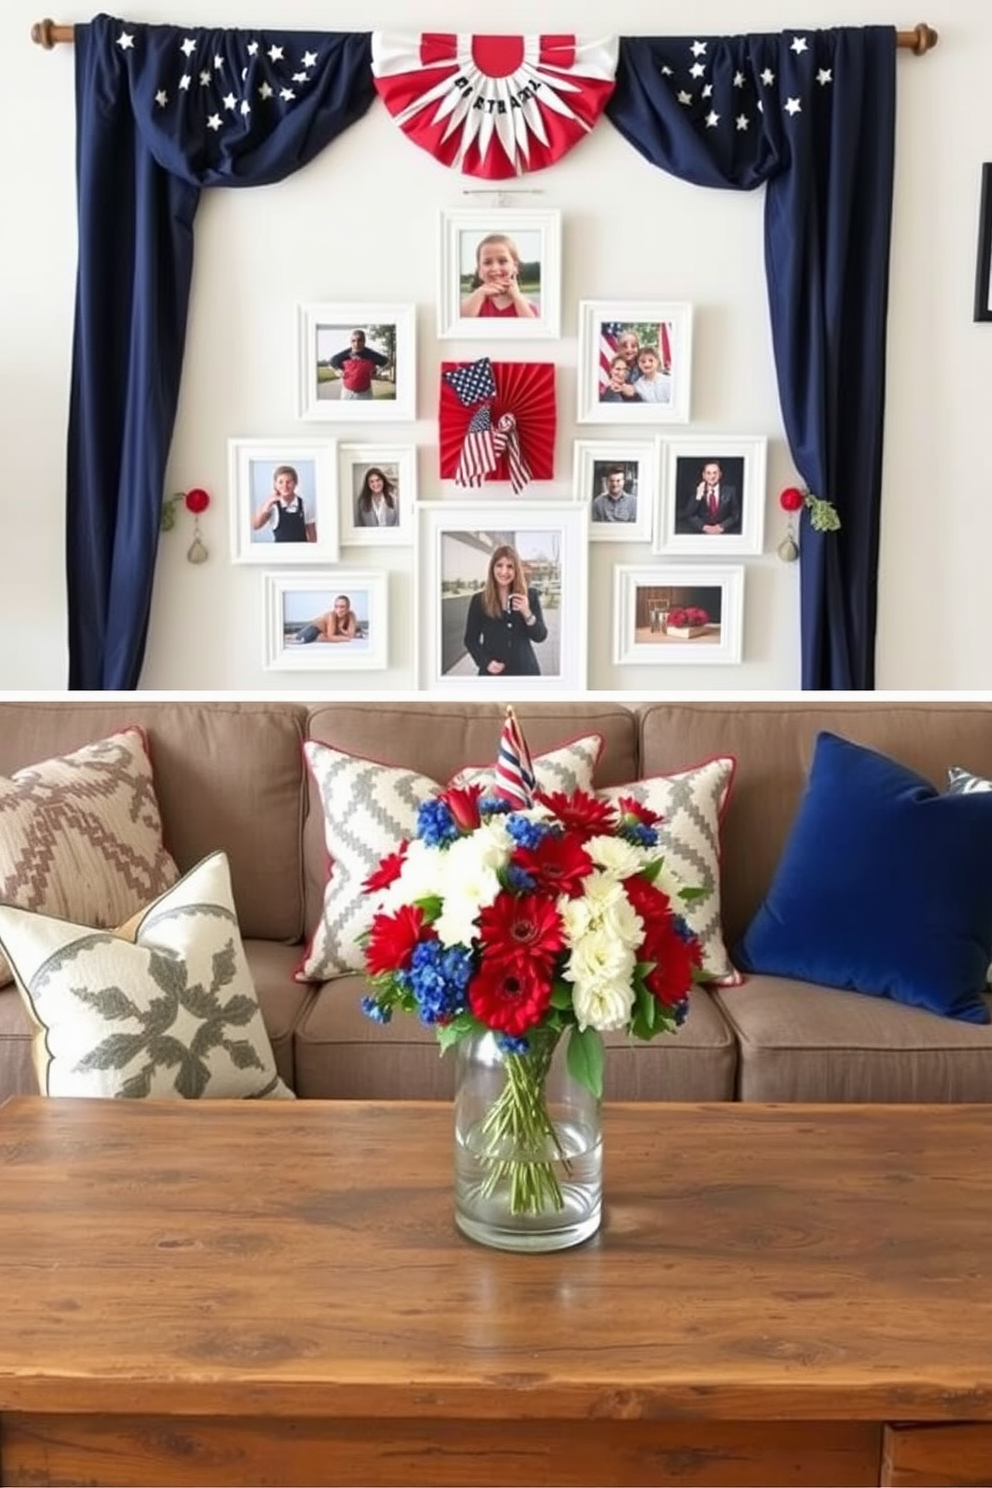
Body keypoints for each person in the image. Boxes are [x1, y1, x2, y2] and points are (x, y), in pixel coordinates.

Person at [462, 545, 548, 676]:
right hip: (492, 675)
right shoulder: (479, 600)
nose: (504, 572)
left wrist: (527, 613)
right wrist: (485, 662)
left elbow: (540, 636)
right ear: (492, 568)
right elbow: (470, 640)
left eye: (510, 566)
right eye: (499, 565)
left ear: (516, 570)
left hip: (525, 672)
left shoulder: (530, 596)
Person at [460, 234, 538, 319]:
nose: (495, 268)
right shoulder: (472, 302)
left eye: (502, 261)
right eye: (487, 262)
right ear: (479, 270)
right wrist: (480, 292)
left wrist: (516, 297)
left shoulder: (527, 306)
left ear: (515, 267)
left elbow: (532, 329)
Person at [251, 465, 316, 543]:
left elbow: (312, 536)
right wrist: (268, 503)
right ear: (275, 484)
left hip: (301, 553)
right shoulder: (272, 505)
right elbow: (255, 526)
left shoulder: (306, 504)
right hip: (279, 553)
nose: (285, 486)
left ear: (295, 483)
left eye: (288, 482)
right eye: (280, 482)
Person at [684, 460, 742, 535]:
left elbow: (735, 515)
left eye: (715, 473)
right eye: (708, 473)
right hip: (702, 534)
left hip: (724, 534)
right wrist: (704, 527)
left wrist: (722, 526)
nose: (712, 476)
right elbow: (689, 515)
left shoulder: (730, 491)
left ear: (720, 474)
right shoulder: (697, 491)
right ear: (703, 475)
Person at [329, 329, 389, 400]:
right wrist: (337, 372)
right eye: (353, 341)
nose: (356, 344)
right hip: (347, 393)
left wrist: (378, 372)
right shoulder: (344, 354)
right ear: (350, 342)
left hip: (365, 394)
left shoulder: (371, 354)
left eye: (360, 340)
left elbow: (386, 362)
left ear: (364, 341)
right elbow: (331, 363)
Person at [294, 595, 359, 645]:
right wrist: (345, 637)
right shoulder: (331, 616)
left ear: (348, 608)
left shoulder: (351, 614)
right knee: (300, 639)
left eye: (342, 607)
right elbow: (331, 637)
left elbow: (351, 634)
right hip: (311, 630)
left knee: (358, 630)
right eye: (336, 606)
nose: (338, 610)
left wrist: (341, 629)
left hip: (323, 633)